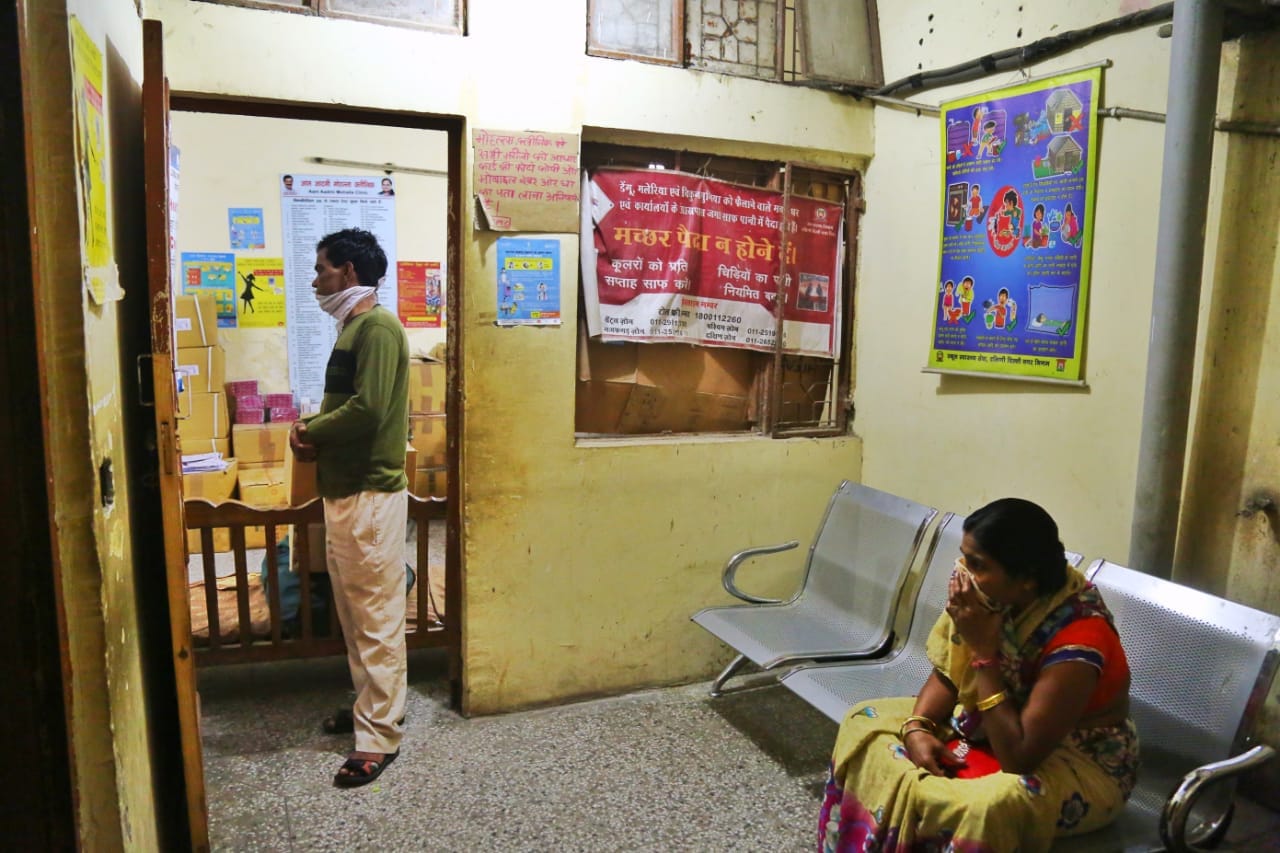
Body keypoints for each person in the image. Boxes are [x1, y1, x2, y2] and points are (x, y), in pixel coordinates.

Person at [818, 498, 1138, 851]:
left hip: (1073, 759)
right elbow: (949, 676)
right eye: (963, 557)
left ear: (1026, 578)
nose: (961, 572)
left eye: (976, 564)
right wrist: (918, 727)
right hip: (989, 723)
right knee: (864, 722)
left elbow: (1020, 757)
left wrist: (985, 654)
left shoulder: (1079, 640)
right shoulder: (991, 599)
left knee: (980, 807)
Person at [289, 227, 411, 789]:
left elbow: (368, 409)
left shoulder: (379, 328)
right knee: (355, 617)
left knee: (377, 618)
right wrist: (315, 435)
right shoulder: (352, 328)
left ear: (351, 272)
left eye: (322, 269)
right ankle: (371, 712)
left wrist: (309, 429)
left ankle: (379, 736)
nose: (316, 280)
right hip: (344, 490)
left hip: (369, 492)